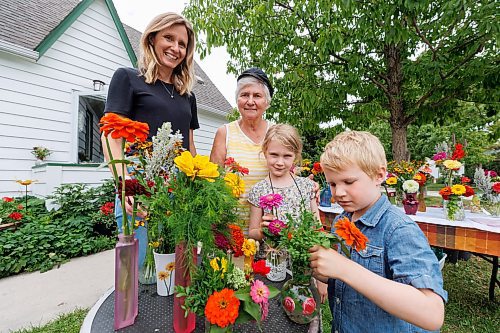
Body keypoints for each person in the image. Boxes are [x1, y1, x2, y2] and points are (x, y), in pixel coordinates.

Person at [309, 131, 447, 332]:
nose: (338, 192)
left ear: (379, 175)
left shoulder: (398, 229)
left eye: (348, 182)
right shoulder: (343, 220)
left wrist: (346, 269)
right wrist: (318, 268)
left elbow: (432, 314)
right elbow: (343, 281)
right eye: (332, 183)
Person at [101, 12, 199, 268]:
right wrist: (126, 185)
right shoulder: (128, 78)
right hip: (140, 181)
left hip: (179, 186)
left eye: (182, 44)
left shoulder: (187, 95)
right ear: (152, 38)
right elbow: (110, 136)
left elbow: (189, 146)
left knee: (177, 267)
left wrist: (197, 186)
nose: (175, 48)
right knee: (140, 265)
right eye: (169, 38)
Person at [247, 124, 328, 303]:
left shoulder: (306, 187)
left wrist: (322, 278)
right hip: (271, 267)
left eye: (287, 156)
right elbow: (251, 232)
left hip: (303, 266)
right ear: (265, 152)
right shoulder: (259, 190)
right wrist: (262, 230)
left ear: (296, 157)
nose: (280, 162)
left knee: (302, 310)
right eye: (274, 155)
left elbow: (317, 229)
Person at [210, 68, 274, 234]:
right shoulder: (225, 133)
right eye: (245, 95)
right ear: (237, 99)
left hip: (267, 229)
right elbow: (212, 182)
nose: (250, 101)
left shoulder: (276, 134)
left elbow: (289, 177)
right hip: (231, 228)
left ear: (267, 102)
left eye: (257, 96)